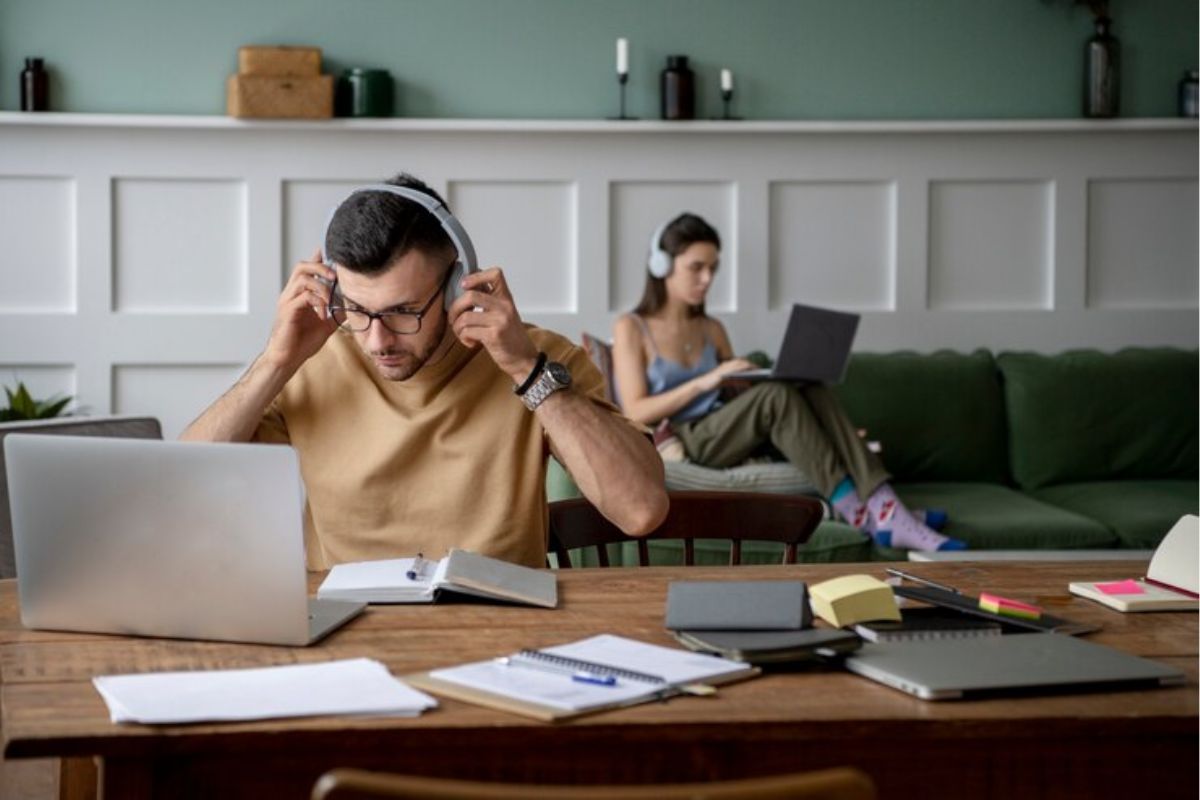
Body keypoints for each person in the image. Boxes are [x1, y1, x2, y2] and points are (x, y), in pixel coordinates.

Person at [182, 173, 667, 569]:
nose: (378, 339)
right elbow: (183, 492)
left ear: (458, 288)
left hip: (498, 630)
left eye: (403, 311)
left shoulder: (535, 358)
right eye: (356, 309)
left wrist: (526, 369)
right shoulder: (309, 364)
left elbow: (641, 511)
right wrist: (276, 361)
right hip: (344, 633)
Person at [611, 212, 964, 552]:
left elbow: (739, 404)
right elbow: (636, 409)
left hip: (728, 429)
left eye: (713, 269)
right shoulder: (632, 327)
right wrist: (708, 381)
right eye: (696, 267)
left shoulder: (712, 329)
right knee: (775, 398)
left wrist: (746, 382)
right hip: (683, 438)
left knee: (807, 384)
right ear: (663, 265)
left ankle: (884, 507)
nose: (707, 279)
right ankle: (870, 514)